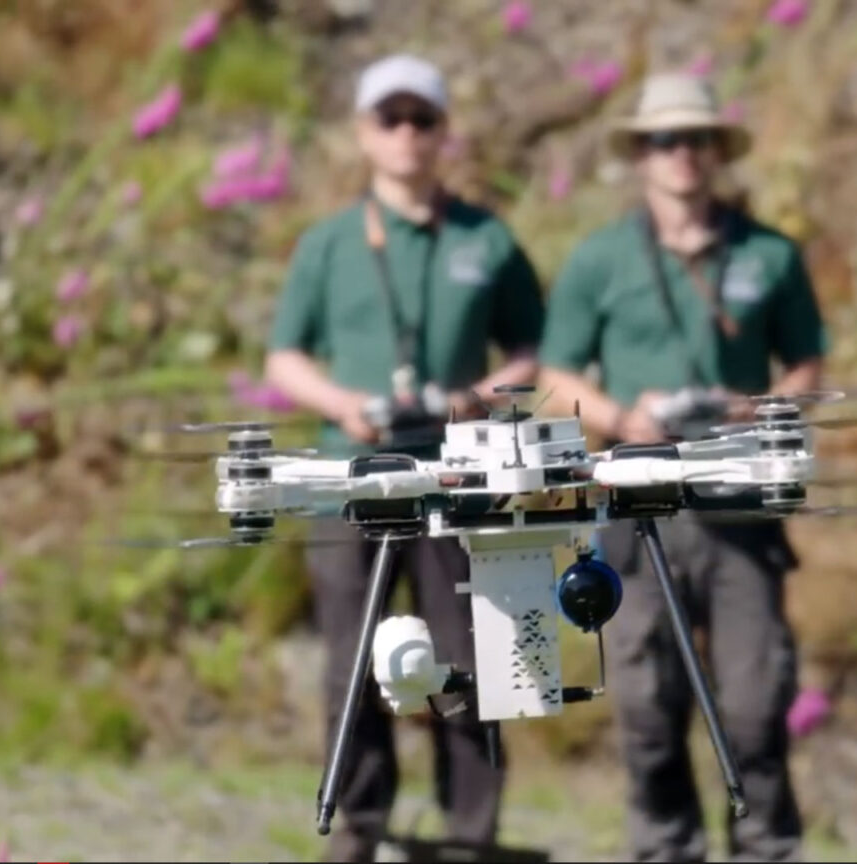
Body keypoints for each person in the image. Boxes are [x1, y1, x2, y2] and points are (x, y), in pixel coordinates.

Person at [536, 72, 828, 863]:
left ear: (716, 151)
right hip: (639, 504)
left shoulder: (769, 254)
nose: (682, 154)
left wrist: (759, 408)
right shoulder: (600, 259)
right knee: (646, 702)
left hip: (739, 502)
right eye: (665, 140)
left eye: (696, 139)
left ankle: (765, 846)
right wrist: (620, 418)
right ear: (641, 153)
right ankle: (664, 847)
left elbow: (807, 362)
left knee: (757, 700)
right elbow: (555, 374)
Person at [263, 53, 547, 862]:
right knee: (353, 661)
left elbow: (537, 348)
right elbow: (284, 357)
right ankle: (358, 826)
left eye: (422, 119)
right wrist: (341, 404)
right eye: (391, 118)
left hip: (457, 476)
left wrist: (478, 394)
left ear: (443, 132)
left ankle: (470, 832)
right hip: (351, 477)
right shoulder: (328, 244)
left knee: (470, 656)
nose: (407, 135)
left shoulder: (485, 238)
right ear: (365, 132)